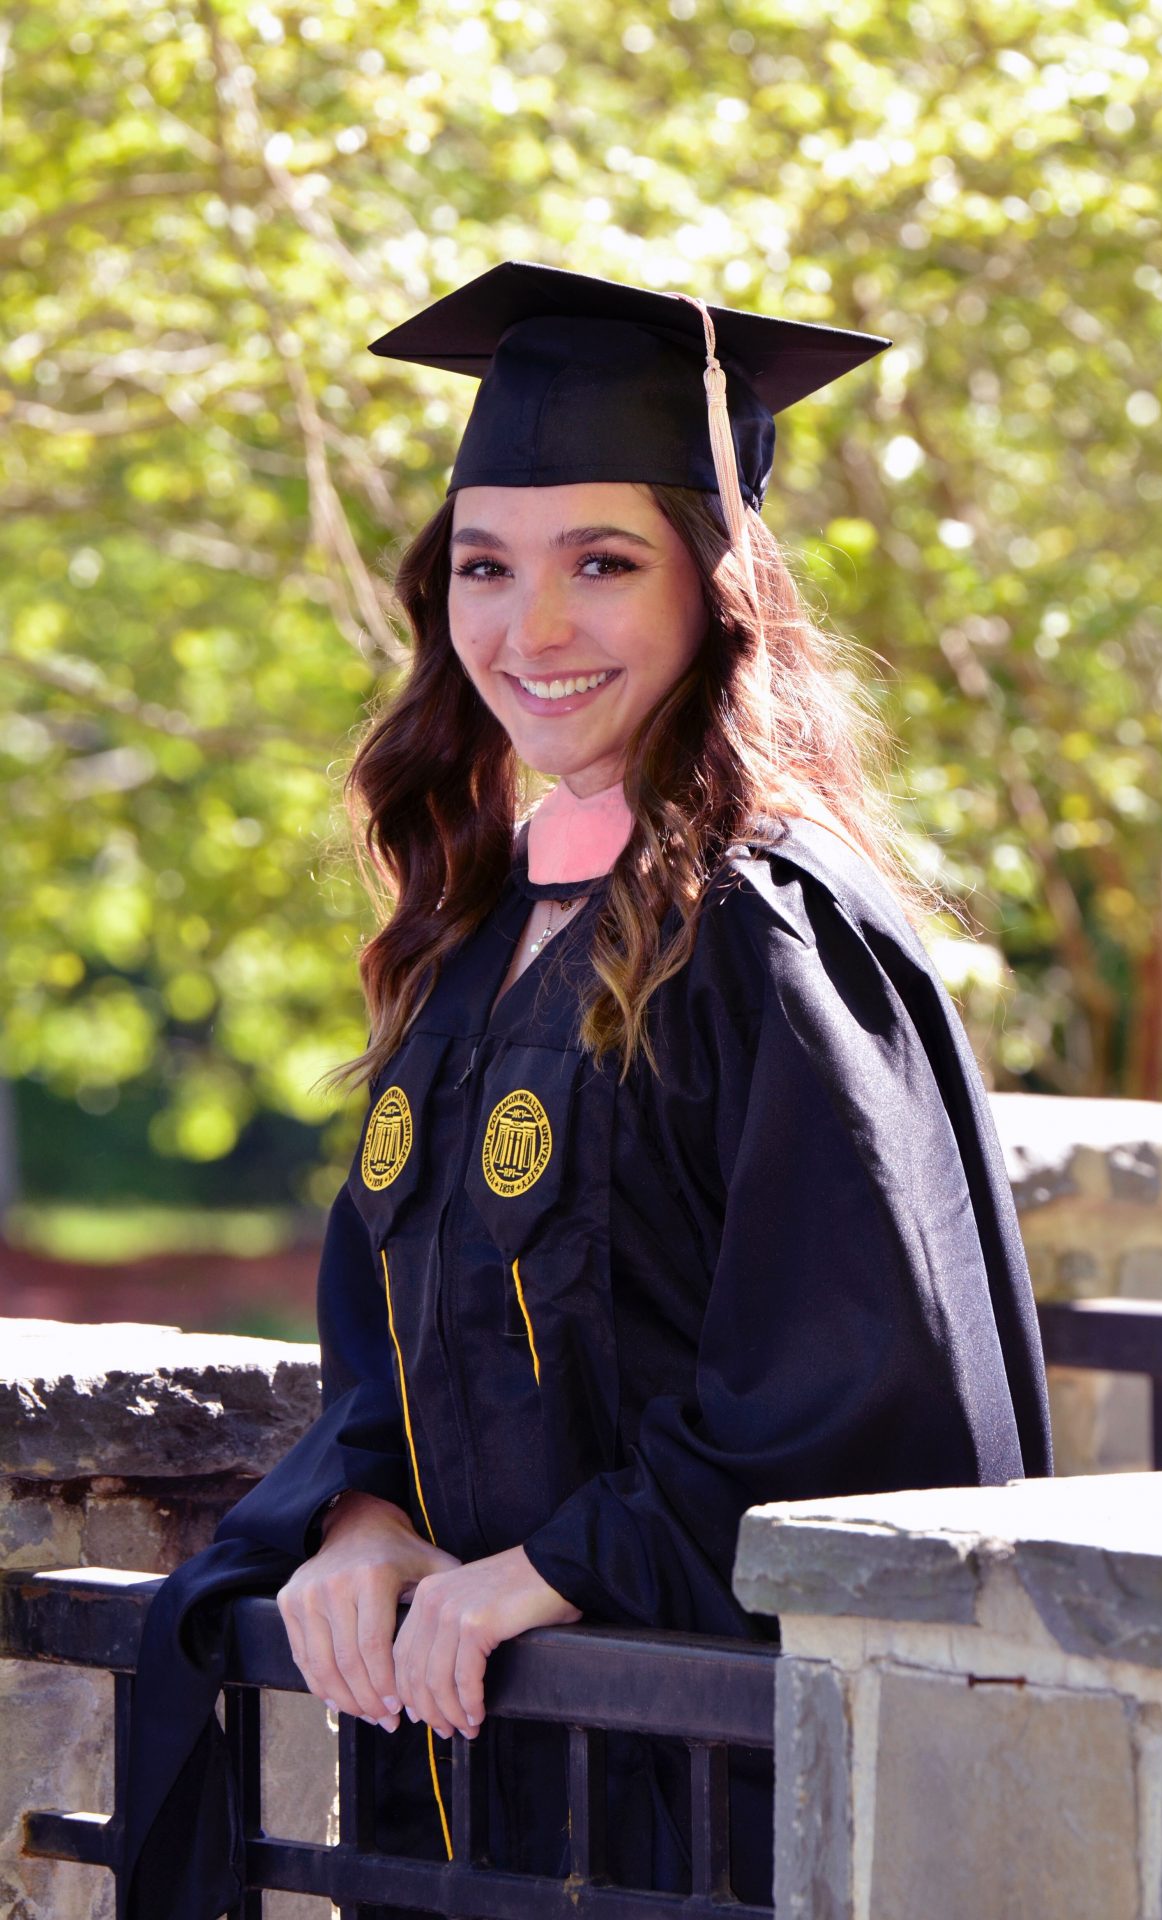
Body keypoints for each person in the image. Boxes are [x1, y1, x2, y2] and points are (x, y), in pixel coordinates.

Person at [121, 261, 1052, 1919]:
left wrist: (548, 1572)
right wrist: (360, 1520)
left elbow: (863, 1399)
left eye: (602, 564)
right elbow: (391, 1331)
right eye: (486, 567)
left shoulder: (770, 934)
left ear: (716, 588)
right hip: (477, 1776)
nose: (530, 630)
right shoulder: (475, 931)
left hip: (707, 1790)